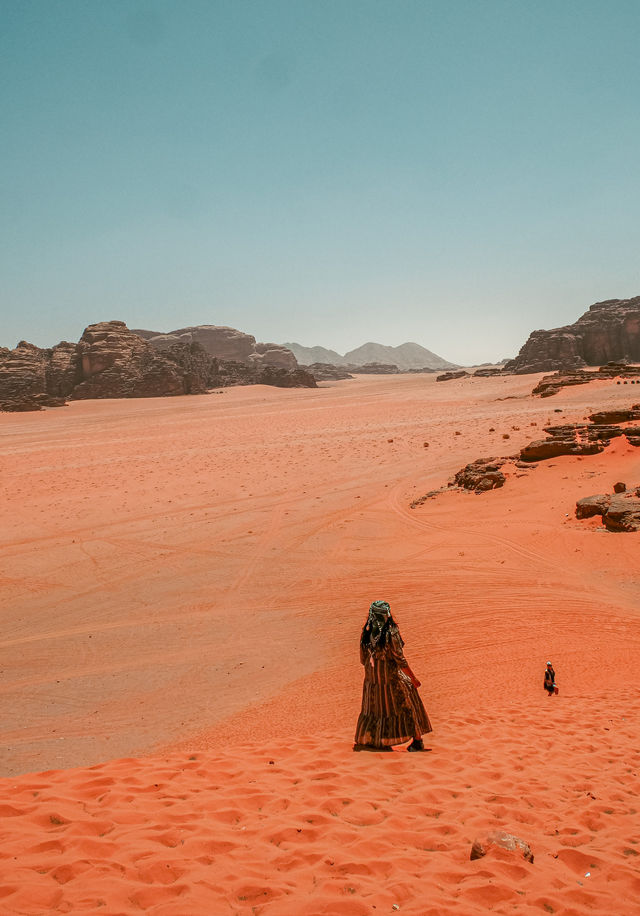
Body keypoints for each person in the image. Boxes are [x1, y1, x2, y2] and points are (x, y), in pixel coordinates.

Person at [354, 600, 432, 752]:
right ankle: (417, 741)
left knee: (377, 709)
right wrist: (413, 678)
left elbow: (363, 659)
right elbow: (400, 659)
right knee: (408, 704)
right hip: (391, 678)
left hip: (372, 680)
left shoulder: (367, 632)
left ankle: (379, 740)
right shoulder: (391, 632)